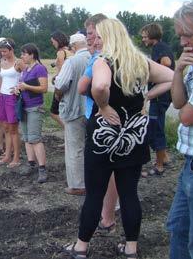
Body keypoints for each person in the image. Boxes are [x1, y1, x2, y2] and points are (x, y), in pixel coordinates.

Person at [71, 19, 173, 259]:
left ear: (109, 37)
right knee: (129, 194)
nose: (95, 40)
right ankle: (131, 249)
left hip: (103, 138)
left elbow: (100, 85)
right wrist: (146, 96)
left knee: (95, 194)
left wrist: (103, 105)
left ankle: (81, 247)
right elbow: (170, 78)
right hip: (134, 136)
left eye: (99, 36)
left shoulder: (102, 61)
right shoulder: (140, 61)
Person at [167, 0, 193, 259]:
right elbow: (178, 102)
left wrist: (184, 109)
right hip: (192, 164)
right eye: (180, 36)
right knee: (179, 228)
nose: (183, 42)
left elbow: (186, 116)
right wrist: (178, 71)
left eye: (188, 35)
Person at [77, 13, 119, 235]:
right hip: (103, 115)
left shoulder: (100, 59)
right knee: (114, 169)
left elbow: (85, 87)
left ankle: (107, 216)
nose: (90, 38)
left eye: (93, 34)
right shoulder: (118, 56)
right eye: (89, 34)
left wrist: (102, 106)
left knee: (105, 170)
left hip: (101, 117)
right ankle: (108, 212)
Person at [54, 33, 90, 196]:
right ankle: (91, 178)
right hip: (92, 110)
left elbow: (61, 84)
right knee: (91, 146)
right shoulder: (95, 58)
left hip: (74, 109)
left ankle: (78, 185)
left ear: (73, 47)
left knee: (75, 148)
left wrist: (57, 95)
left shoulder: (72, 61)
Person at [140, 23, 174, 176]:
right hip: (163, 96)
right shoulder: (162, 46)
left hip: (160, 96)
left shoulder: (159, 47)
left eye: (145, 36)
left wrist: (154, 72)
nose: (143, 39)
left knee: (156, 128)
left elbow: (166, 63)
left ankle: (159, 166)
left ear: (152, 36)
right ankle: (164, 158)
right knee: (156, 125)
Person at [15, 43, 48, 183]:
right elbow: (24, 86)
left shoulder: (39, 68)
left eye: (24, 54)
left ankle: (42, 169)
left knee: (35, 138)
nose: (22, 56)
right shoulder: (26, 70)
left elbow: (44, 88)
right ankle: (31, 164)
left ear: (32, 55)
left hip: (35, 107)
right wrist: (17, 89)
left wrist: (26, 86)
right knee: (27, 138)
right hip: (24, 106)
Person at [0, 39, 24, 168]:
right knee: (5, 127)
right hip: (2, 97)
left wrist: (19, 88)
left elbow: (28, 77)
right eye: (1, 51)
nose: (3, 54)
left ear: (11, 50)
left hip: (12, 98)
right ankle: (7, 155)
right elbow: (0, 81)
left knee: (13, 129)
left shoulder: (18, 63)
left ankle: (16, 158)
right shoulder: (2, 61)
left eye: (5, 51)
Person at [50, 31, 72, 129]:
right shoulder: (71, 51)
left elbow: (62, 71)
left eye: (53, 41)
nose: (52, 43)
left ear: (57, 40)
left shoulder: (60, 52)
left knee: (54, 113)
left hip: (61, 85)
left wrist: (55, 77)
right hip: (71, 85)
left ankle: (68, 131)